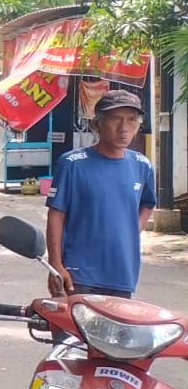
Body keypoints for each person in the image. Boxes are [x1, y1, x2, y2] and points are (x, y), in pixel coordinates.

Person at [46, 89, 156, 298]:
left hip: (122, 274)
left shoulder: (142, 165)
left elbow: (148, 203)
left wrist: (132, 229)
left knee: (117, 330)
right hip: (78, 276)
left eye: (131, 120)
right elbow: (56, 214)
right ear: (96, 124)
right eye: (115, 119)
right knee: (73, 330)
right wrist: (56, 264)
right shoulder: (72, 164)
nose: (124, 129)